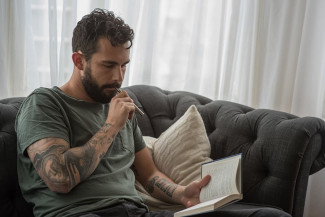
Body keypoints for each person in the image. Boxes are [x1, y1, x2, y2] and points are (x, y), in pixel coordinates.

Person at [16, 8, 291, 217]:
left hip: (137, 211)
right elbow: (60, 178)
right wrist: (111, 125)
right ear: (79, 60)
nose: (118, 76)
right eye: (108, 65)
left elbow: (148, 175)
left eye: (124, 65)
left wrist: (183, 193)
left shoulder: (119, 104)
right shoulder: (45, 103)